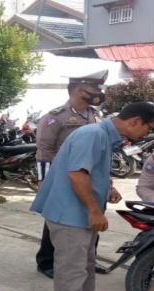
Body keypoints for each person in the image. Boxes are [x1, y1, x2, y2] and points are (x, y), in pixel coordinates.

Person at [30, 102, 154, 291]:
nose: (147, 134)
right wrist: (94, 211)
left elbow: (90, 169)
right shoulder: (92, 134)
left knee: (86, 264)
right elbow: (76, 173)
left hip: (79, 212)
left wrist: (107, 187)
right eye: (149, 128)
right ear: (135, 121)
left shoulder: (104, 135)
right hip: (69, 213)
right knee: (72, 268)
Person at [34, 70, 108, 279]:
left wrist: (109, 183)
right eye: (94, 90)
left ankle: (87, 260)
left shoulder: (96, 115)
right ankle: (47, 262)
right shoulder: (54, 117)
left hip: (90, 176)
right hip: (62, 177)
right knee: (57, 218)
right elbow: (44, 151)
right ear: (78, 90)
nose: (98, 93)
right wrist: (44, 181)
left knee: (92, 217)